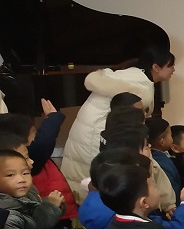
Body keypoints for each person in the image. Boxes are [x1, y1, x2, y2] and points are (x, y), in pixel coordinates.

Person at [60, 45, 175, 200]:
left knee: (84, 179)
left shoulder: (129, 76)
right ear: (155, 67)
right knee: (101, 182)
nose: (173, 69)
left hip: (87, 132)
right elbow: (132, 126)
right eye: (170, 66)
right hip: (96, 136)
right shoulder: (139, 88)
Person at [0, 147, 64, 229]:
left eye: (25, 173)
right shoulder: (8, 217)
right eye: (10, 175)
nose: (21, 179)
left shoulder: (23, 197)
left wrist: (53, 205)